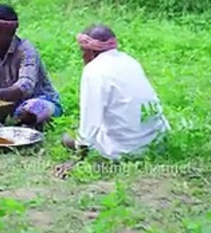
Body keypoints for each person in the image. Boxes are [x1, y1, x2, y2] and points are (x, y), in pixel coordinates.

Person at [59, 25, 170, 167]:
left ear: (90, 50)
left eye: (83, 51)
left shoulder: (94, 70)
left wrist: (78, 158)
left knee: (67, 138)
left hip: (125, 149)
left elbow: (91, 119)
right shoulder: (130, 61)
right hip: (157, 141)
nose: (82, 56)